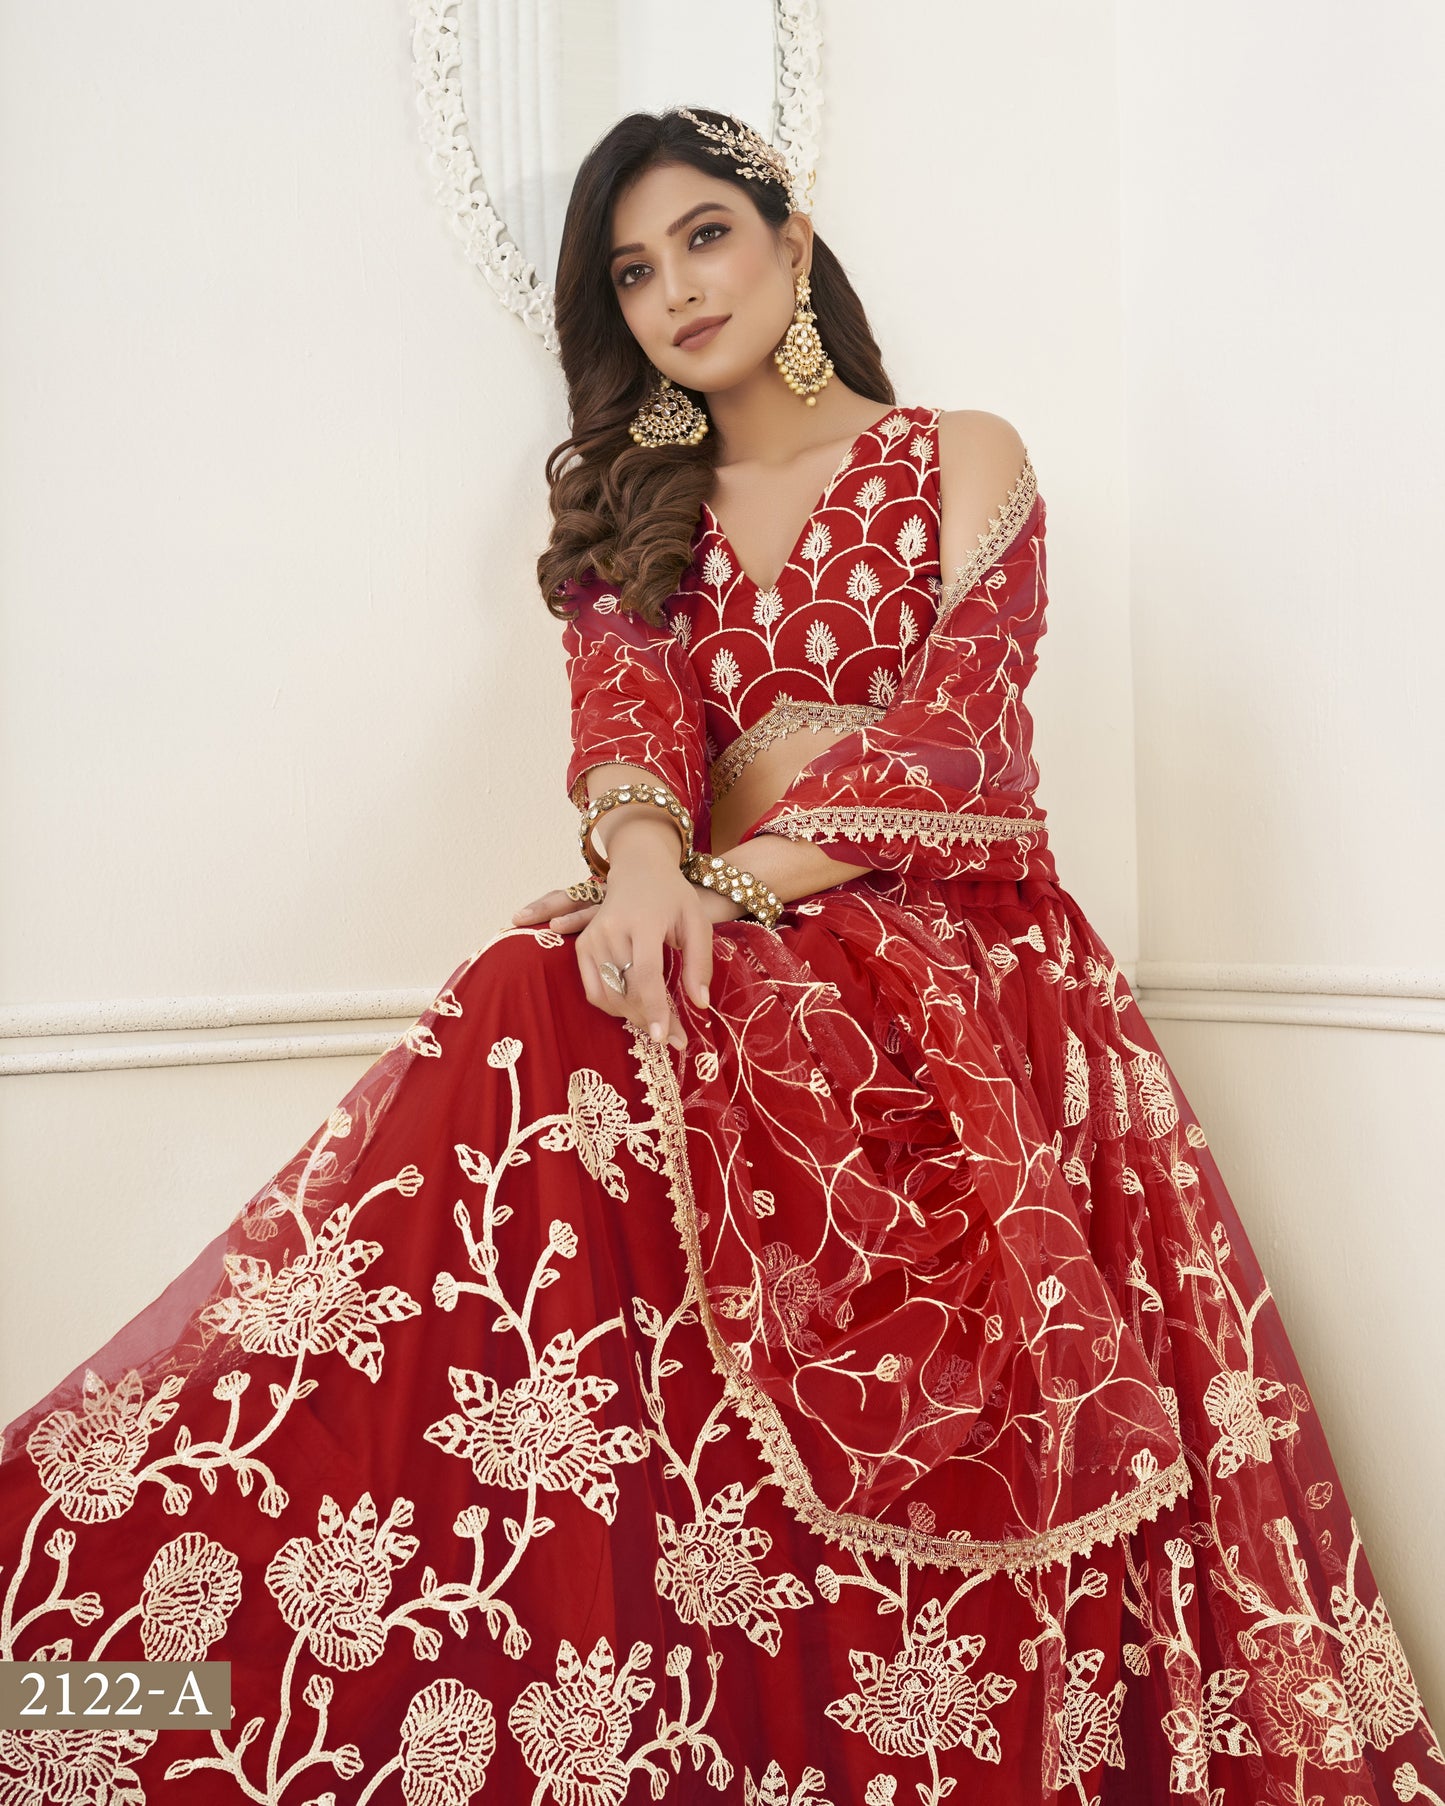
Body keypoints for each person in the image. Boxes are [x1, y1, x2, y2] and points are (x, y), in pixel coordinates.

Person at [0, 104, 1437, 1806]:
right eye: (630, 271)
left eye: (702, 237)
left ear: (789, 240)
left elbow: (960, 746)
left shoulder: (958, 453)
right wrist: (632, 874)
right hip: (725, 948)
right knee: (519, 1002)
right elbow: (625, 731)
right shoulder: (639, 507)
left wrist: (723, 880)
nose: (672, 288)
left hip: (956, 973)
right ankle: (103, 1674)